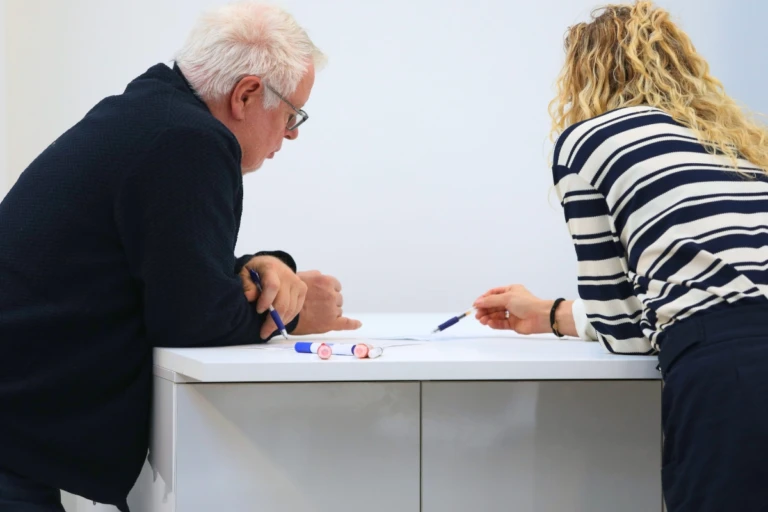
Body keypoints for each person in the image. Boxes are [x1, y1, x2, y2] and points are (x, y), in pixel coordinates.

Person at [0, 2, 362, 510]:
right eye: (291, 114)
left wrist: (263, 265)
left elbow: (171, 267)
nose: (292, 133)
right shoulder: (188, 140)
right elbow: (194, 319)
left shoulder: (152, 112)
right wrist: (298, 314)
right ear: (246, 94)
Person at [473, 1, 768, 511]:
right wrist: (549, 314)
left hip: (732, 375)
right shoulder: (739, 143)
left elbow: (625, 330)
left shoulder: (588, 141)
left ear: (584, 75)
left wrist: (558, 317)